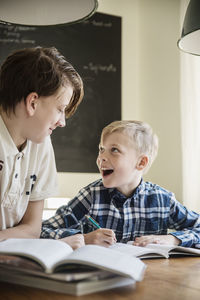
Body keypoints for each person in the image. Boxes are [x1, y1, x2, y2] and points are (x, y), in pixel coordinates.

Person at [41, 120, 200, 248]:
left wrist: (173, 239)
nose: (101, 157)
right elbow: (42, 230)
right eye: (101, 149)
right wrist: (83, 238)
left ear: (141, 162)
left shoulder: (163, 200)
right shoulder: (91, 196)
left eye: (114, 150)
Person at [0, 46, 84, 249]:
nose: (62, 122)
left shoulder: (41, 144)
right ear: (33, 102)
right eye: (60, 109)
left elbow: (31, 229)